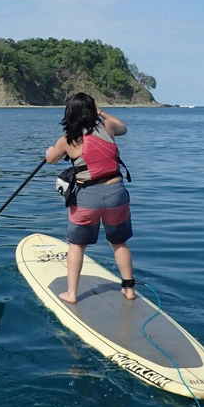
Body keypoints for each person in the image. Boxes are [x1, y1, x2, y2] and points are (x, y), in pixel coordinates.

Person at [45, 92, 135, 304]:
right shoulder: (107, 128)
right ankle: (129, 289)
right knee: (119, 242)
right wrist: (102, 112)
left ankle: (72, 294)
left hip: (88, 199)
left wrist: (51, 150)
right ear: (93, 111)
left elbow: (50, 160)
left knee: (77, 245)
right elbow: (123, 127)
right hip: (116, 195)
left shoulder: (67, 141)